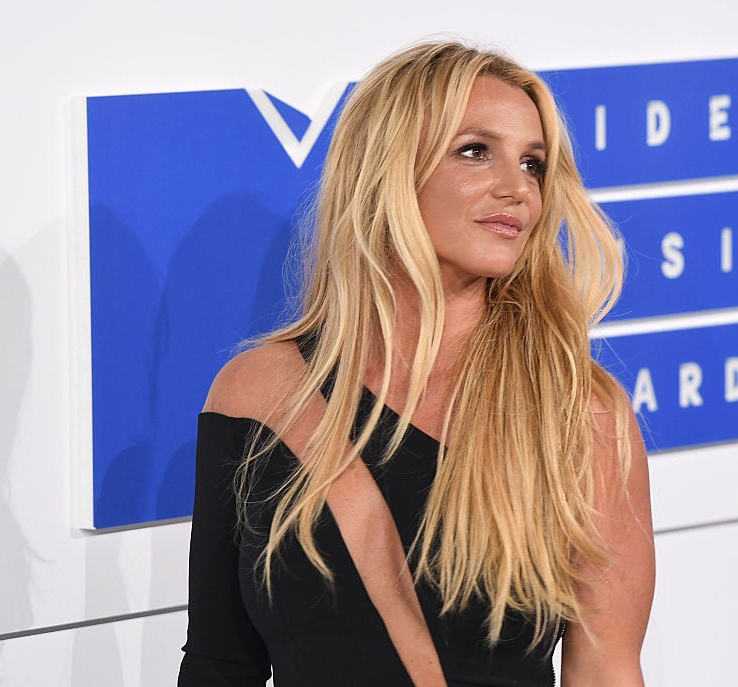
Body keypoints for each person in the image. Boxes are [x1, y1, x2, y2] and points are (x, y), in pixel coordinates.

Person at [179, 40, 654, 687]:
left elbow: (604, 671)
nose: (517, 189)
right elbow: (219, 662)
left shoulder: (580, 411)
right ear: (390, 167)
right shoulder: (259, 391)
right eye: (475, 150)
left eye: (534, 163)